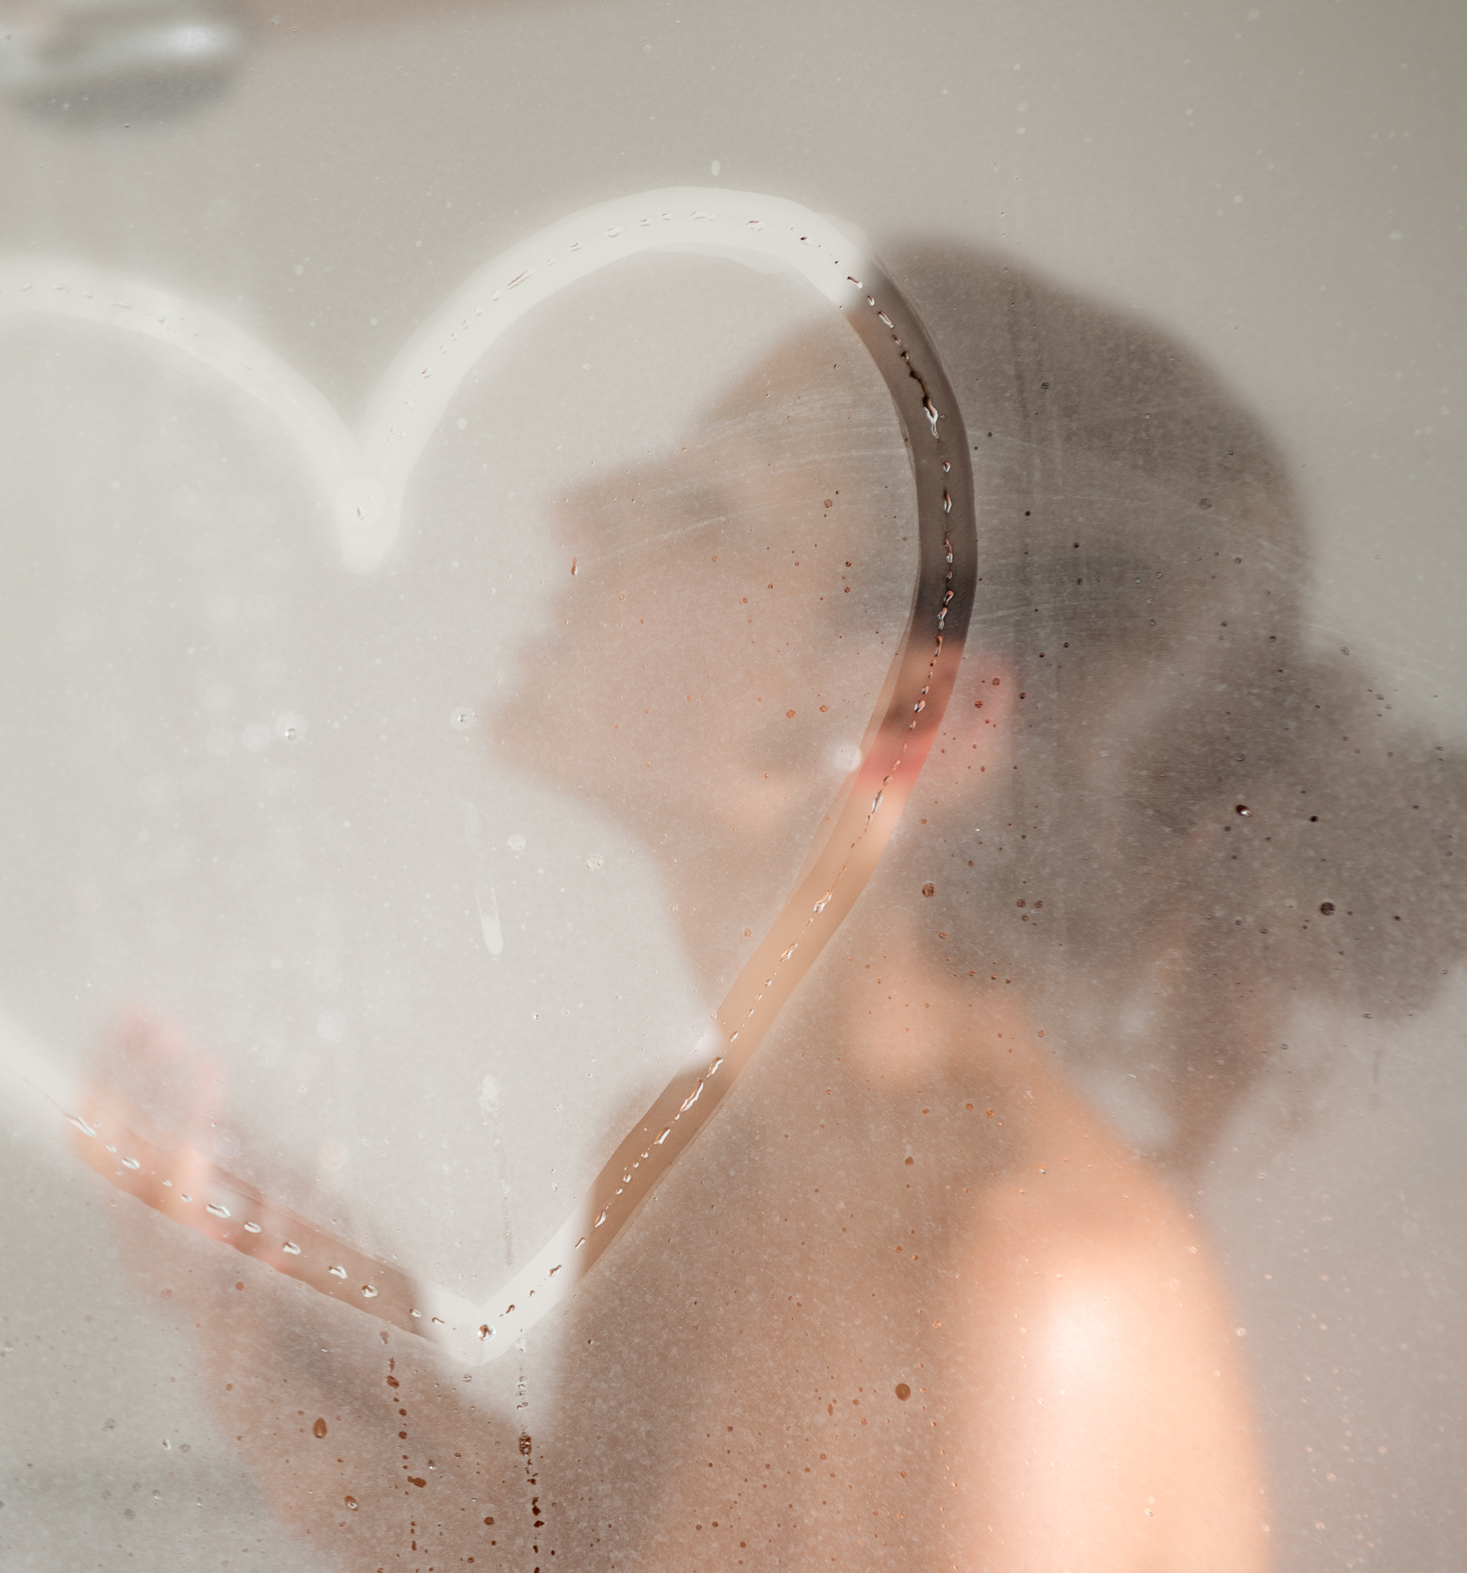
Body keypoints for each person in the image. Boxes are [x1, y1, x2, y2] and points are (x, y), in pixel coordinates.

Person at [75, 244, 1464, 1569]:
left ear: (919, 718)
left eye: (707, 504)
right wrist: (328, 1384)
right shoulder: (685, 1163)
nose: (576, 512)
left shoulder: (1021, 1284)